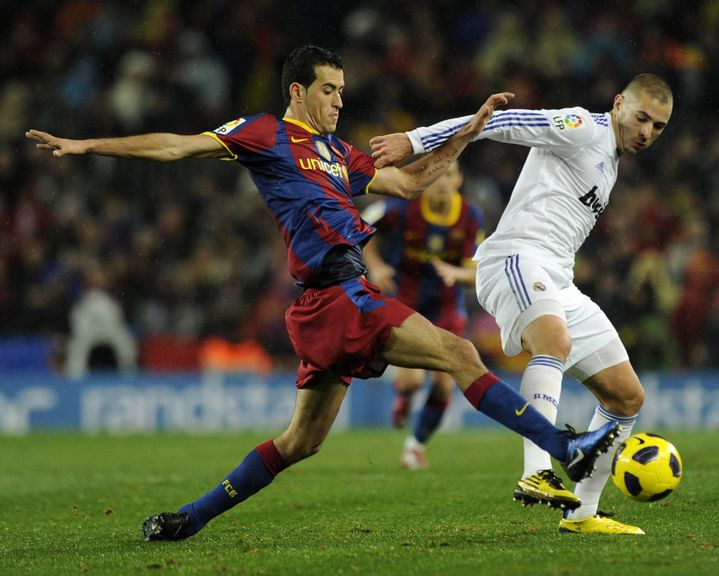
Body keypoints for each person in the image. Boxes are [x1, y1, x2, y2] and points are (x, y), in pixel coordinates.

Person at [26, 45, 619, 541]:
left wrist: (471, 130)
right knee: (459, 354)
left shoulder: (340, 156)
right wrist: (87, 146)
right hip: (339, 294)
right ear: (297, 92)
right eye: (329, 89)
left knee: (300, 442)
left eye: (342, 90)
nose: (340, 100)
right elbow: (177, 145)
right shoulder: (265, 134)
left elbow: (410, 182)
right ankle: (564, 450)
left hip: (330, 302)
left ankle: (190, 519)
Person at [371, 73, 673, 535]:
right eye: (642, 118)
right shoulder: (582, 127)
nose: (648, 133)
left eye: (658, 127)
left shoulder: (610, 158)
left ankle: (582, 514)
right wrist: (415, 139)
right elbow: (503, 120)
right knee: (553, 339)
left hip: (557, 278)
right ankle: (536, 470)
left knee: (627, 395)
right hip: (514, 257)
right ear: (618, 104)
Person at [362, 160, 484, 469]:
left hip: (445, 308)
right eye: (437, 175)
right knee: (411, 383)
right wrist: (375, 266)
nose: (442, 182)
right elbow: (361, 225)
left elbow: (477, 271)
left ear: (460, 179)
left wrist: (455, 272)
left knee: (445, 382)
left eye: (450, 175)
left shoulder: (470, 216)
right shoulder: (403, 207)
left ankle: (414, 447)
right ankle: (403, 397)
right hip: (406, 303)